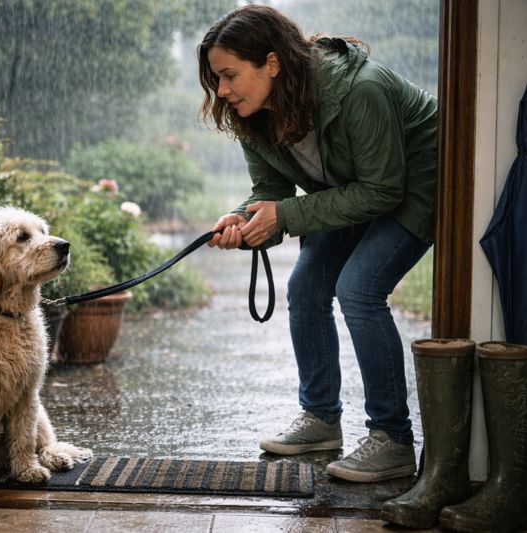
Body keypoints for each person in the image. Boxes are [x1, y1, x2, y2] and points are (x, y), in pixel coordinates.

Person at [198, 5, 437, 483]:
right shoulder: (251, 113)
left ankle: (392, 438)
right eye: (215, 79)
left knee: (358, 289)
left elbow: (383, 189)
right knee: (305, 286)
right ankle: (321, 420)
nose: (221, 91)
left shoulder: (360, 91)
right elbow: (271, 190)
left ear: (271, 63)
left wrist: (284, 218)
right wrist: (244, 219)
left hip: (415, 186)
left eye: (228, 75)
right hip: (352, 192)